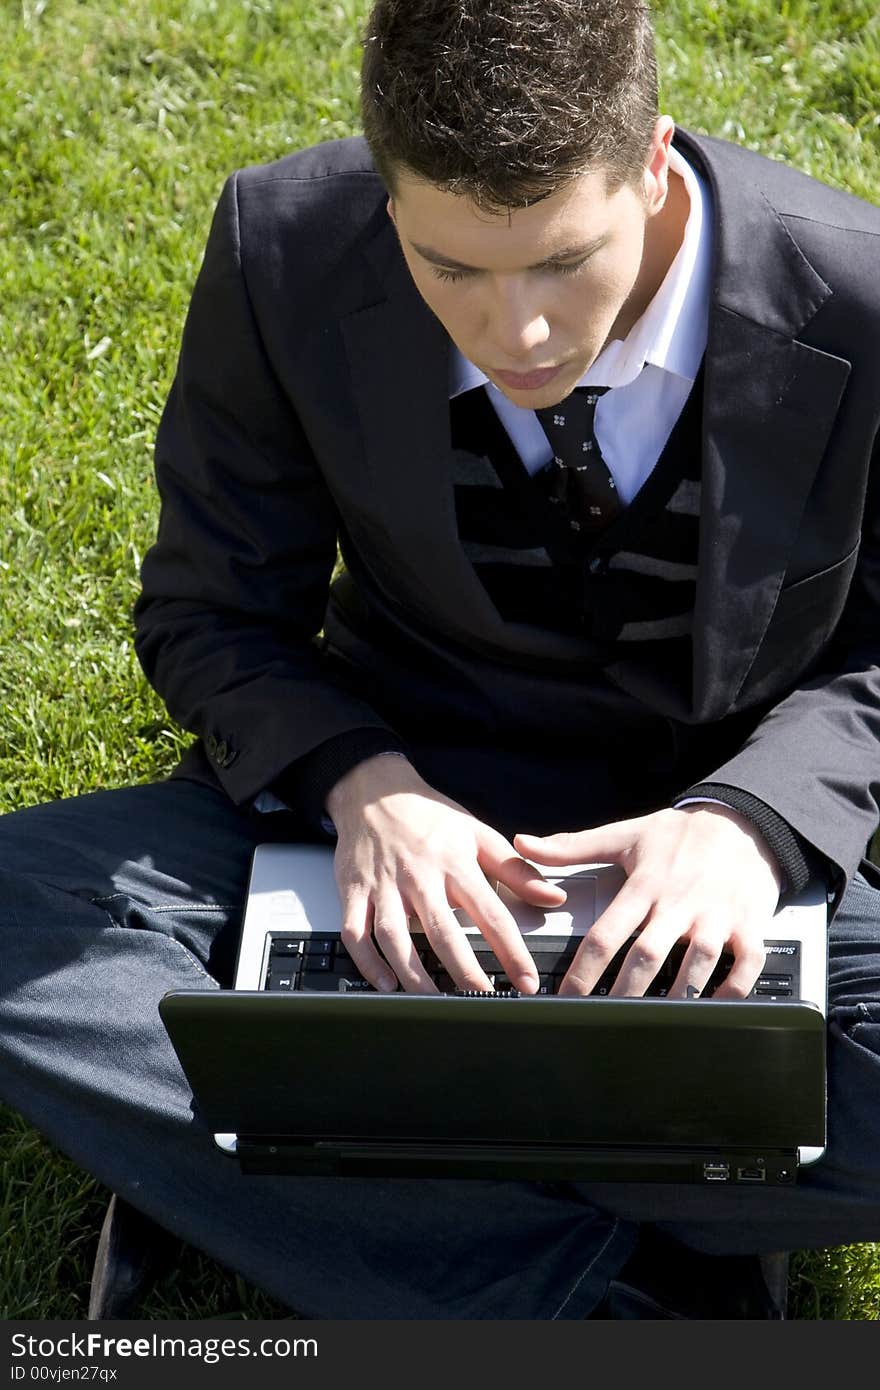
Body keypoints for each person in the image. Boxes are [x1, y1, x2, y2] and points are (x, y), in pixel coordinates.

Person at [2, 0, 879, 1320]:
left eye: (559, 262)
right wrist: (366, 788)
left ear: (653, 163)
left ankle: (338, 1163)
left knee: (240, 1072)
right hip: (395, 808)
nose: (514, 333)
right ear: (384, 192)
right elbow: (211, 615)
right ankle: (622, 1264)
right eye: (449, 268)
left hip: (721, 838)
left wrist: (750, 825)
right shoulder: (284, 249)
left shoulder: (860, 295)